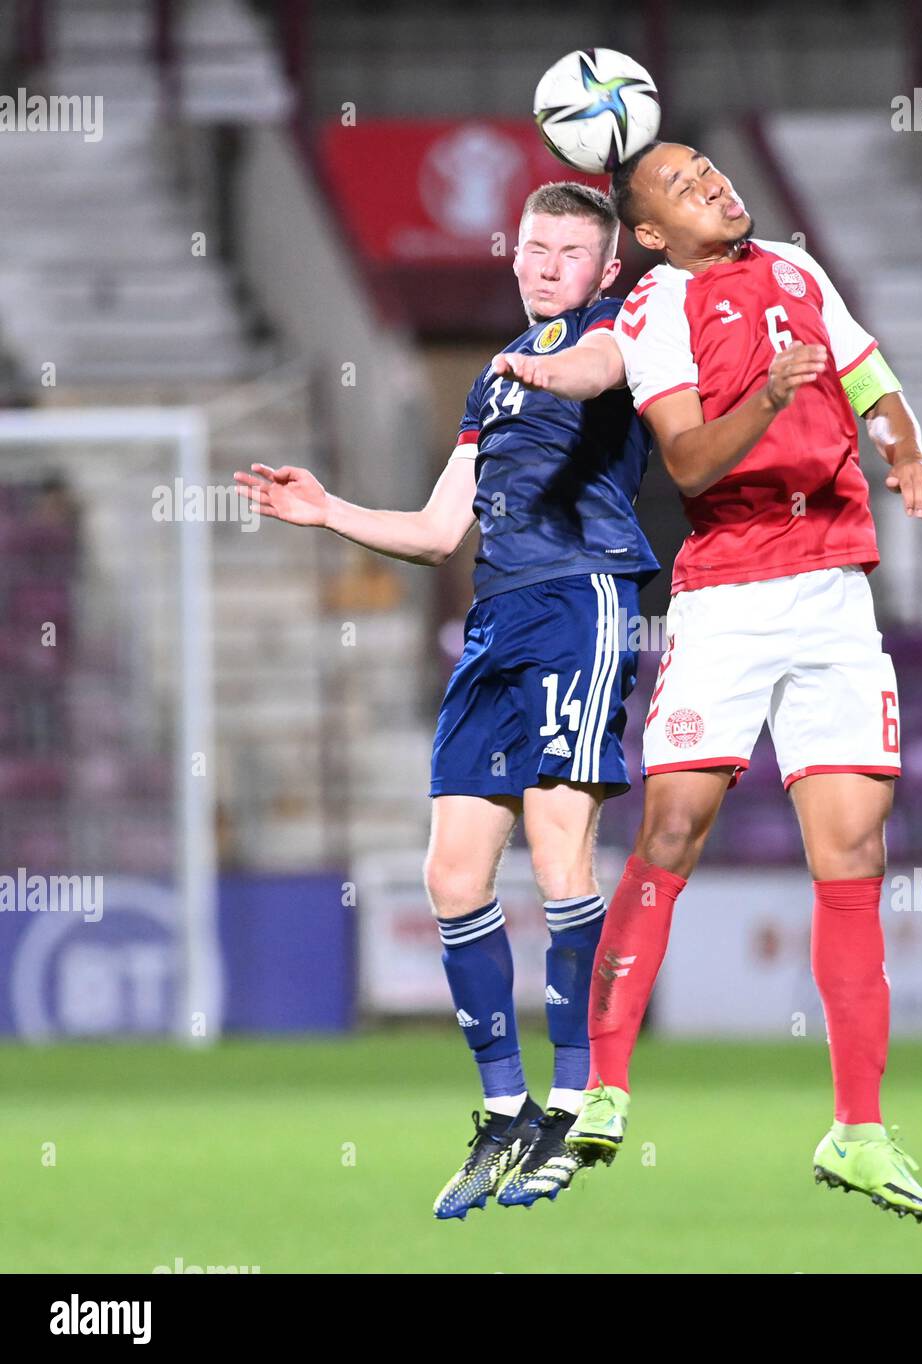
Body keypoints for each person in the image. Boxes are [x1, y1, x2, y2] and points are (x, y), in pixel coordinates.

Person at [492, 142, 922, 1221]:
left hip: (835, 592)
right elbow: (690, 463)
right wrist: (775, 396)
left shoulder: (797, 264)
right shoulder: (653, 308)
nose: (714, 185)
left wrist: (903, 450)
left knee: (854, 855)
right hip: (729, 594)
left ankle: (859, 1130)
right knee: (674, 829)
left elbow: (872, 379)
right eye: (685, 186)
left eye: (710, 170)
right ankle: (603, 1087)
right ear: (648, 232)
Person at [235, 182, 658, 1218]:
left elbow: (600, 369)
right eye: (534, 245)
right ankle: (506, 1108)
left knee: (562, 853)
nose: (547, 261)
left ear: (605, 271)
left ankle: (577, 1099)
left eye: (570, 250)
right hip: (494, 620)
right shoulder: (490, 380)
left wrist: (548, 361)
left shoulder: (619, 333)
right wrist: (328, 507)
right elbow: (436, 531)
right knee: (452, 872)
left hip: (580, 600)